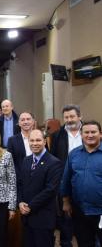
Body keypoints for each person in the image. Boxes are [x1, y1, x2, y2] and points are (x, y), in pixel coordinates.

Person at [17, 129, 63, 247]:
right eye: (32, 140)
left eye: (38, 140)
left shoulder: (54, 162)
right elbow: (21, 183)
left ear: (44, 142)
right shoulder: (26, 160)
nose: (35, 143)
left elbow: (50, 190)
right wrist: (20, 202)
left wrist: (30, 206)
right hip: (26, 218)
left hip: (43, 218)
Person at [60, 120, 102, 247]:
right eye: (86, 132)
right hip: (80, 210)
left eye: (93, 132)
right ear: (82, 134)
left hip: (100, 211)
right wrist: (66, 202)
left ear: (100, 134)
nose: (90, 135)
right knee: (84, 242)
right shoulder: (74, 154)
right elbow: (66, 179)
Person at [50, 104, 82, 247]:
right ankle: (65, 242)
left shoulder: (88, 131)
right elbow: (54, 159)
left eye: (72, 116)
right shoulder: (57, 135)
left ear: (79, 116)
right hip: (65, 180)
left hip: (85, 180)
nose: (69, 120)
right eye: (66, 117)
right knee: (65, 216)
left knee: (84, 216)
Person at [7, 112, 35, 179]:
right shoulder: (12, 141)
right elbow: (10, 163)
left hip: (39, 177)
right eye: (22, 120)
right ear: (19, 123)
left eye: (28, 119)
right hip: (20, 179)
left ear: (33, 122)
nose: (25, 122)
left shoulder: (40, 138)